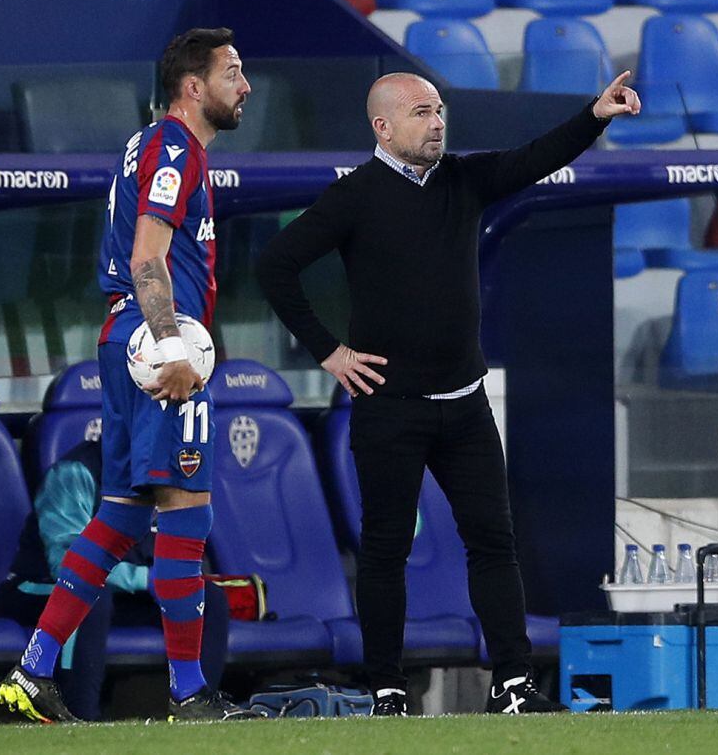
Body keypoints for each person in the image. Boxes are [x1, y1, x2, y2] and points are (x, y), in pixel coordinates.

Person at [256, 71, 640, 716]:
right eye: (420, 113)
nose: (436, 123)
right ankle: (386, 691)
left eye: (440, 111)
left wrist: (593, 116)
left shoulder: (464, 178)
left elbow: (534, 158)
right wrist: (328, 350)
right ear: (382, 127)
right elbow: (275, 265)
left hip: (464, 405)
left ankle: (513, 686)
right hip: (390, 411)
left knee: (494, 542)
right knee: (385, 551)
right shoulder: (355, 196)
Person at [0, 27, 259, 723]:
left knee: (117, 517)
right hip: (155, 345)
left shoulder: (149, 146)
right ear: (193, 86)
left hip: (123, 339)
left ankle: (33, 670)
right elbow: (149, 256)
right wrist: (173, 346)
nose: (247, 85)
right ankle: (187, 692)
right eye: (233, 72)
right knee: (186, 515)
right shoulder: (175, 148)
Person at [0, 438, 230, 722]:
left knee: (209, 598)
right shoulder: (76, 470)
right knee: (90, 598)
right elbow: (64, 561)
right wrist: (143, 578)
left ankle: (196, 706)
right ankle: (78, 716)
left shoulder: (165, 475)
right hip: (39, 587)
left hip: (117, 595)